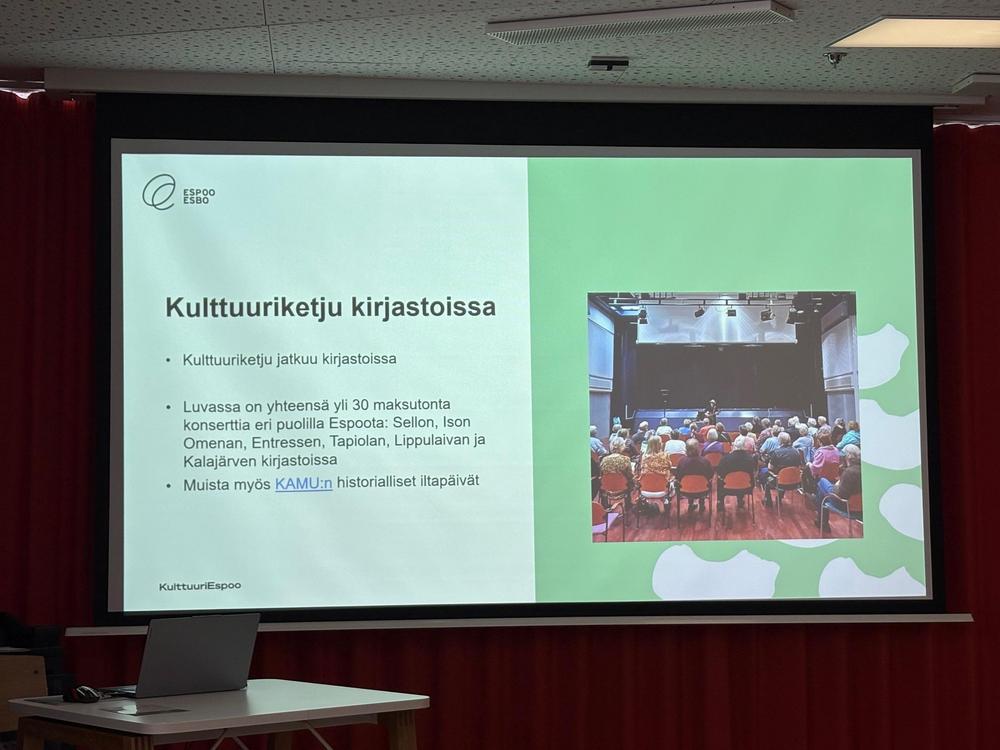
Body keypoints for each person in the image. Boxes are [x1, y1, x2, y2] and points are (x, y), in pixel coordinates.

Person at [815, 444, 862, 531]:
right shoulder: (864, 469)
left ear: (848, 457)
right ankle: (821, 520)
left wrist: (836, 486)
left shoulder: (850, 472)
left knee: (822, 481)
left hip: (846, 506)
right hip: (862, 507)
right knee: (822, 491)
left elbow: (841, 494)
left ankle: (822, 521)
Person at [716, 435, 757, 510]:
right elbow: (753, 472)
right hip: (747, 487)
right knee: (742, 479)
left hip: (727, 487)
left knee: (719, 480)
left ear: (733, 447)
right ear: (743, 447)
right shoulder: (750, 459)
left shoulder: (725, 459)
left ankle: (720, 503)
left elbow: (720, 473)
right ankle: (740, 500)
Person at [764, 432, 803, 507]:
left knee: (767, 478)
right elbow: (799, 466)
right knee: (784, 476)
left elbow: (770, 468)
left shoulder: (776, 452)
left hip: (780, 482)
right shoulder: (796, 451)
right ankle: (779, 497)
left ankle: (768, 502)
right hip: (795, 482)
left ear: (779, 441)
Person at [674, 439, 713, 512]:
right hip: (703, 490)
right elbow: (711, 476)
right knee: (704, 482)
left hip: (684, 491)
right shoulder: (705, 461)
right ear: (698, 449)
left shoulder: (681, 461)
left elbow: (677, 477)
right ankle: (702, 504)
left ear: (686, 449)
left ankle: (690, 504)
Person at [638, 435, 672, 514]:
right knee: (672, 480)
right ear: (659, 444)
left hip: (645, 489)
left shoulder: (644, 457)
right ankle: (665, 502)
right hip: (662, 489)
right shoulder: (665, 456)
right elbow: (669, 467)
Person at [599, 437, 634, 511]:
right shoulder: (625, 459)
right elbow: (630, 475)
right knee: (631, 481)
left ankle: (606, 507)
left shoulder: (604, 460)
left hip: (607, 488)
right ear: (622, 446)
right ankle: (628, 505)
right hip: (622, 488)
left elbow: (601, 474)